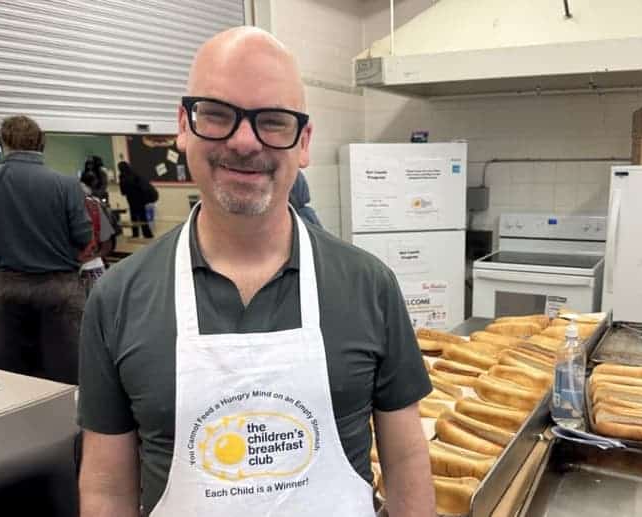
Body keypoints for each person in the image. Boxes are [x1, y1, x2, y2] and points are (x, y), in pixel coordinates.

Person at [78, 27, 435, 517]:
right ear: (183, 125)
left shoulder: (369, 285)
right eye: (218, 114)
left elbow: (408, 459)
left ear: (304, 141)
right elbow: (105, 487)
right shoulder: (118, 296)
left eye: (273, 121)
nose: (245, 142)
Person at [0, 115, 92, 384]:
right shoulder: (67, 184)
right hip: (59, 288)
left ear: (3, 144)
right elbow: (83, 236)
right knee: (68, 374)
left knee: (13, 376)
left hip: (7, 286)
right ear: (41, 144)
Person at [118, 160, 157, 238]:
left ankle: (135, 234)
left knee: (134, 217)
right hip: (140, 198)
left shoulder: (122, 177)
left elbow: (123, 191)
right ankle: (147, 234)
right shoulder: (134, 173)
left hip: (131, 199)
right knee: (143, 217)